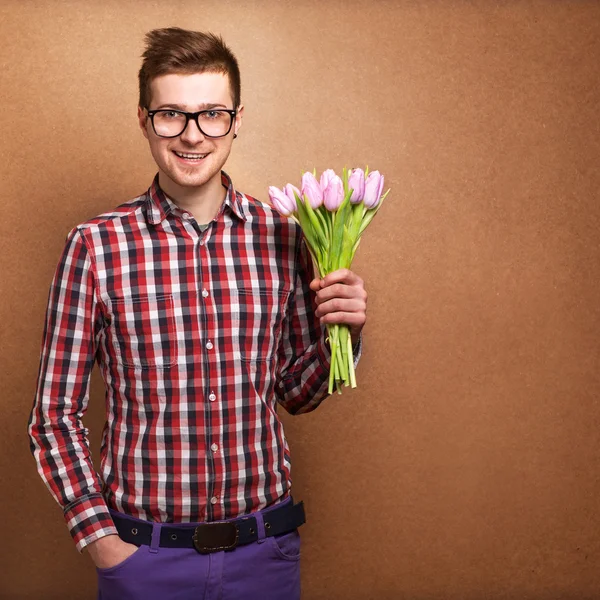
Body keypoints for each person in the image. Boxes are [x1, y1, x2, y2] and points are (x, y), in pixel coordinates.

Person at [28, 27, 367, 600]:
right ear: (144, 119)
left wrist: (346, 331)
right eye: (171, 115)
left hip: (266, 554)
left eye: (211, 113)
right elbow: (55, 415)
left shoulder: (286, 236)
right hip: (145, 560)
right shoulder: (95, 246)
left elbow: (296, 391)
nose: (192, 135)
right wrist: (105, 546)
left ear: (236, 119)